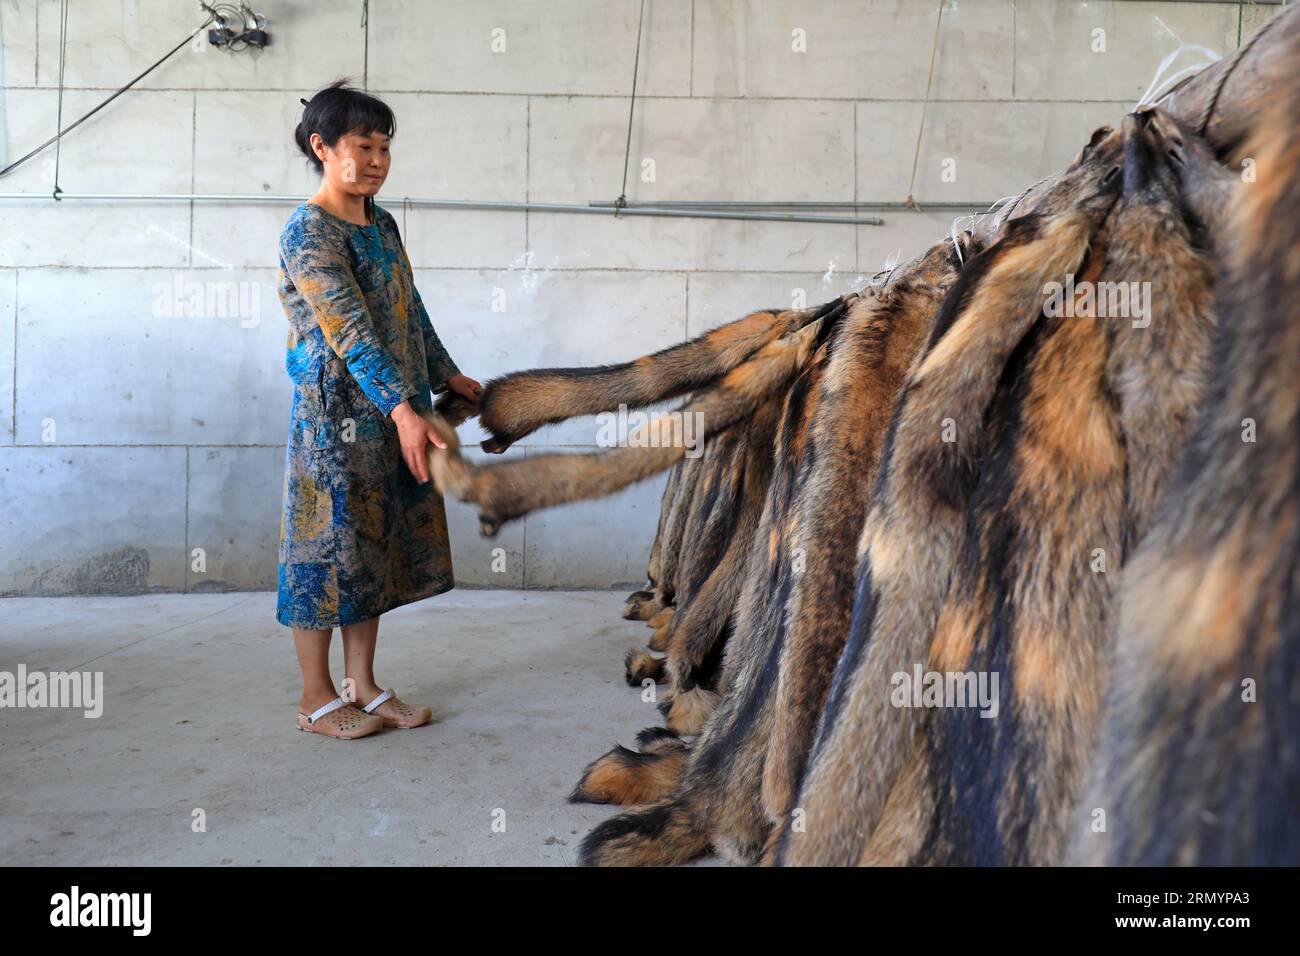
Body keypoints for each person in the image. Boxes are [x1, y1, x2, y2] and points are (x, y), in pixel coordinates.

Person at [276, 80, 481, 739]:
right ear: (322, 146)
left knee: (370, 551)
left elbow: (408, 311)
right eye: (362, 146)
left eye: (384, 147)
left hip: (396, 413)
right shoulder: (308, 232)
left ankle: (362, 686)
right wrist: (402, 410)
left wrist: (448, 375)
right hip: (336, 420)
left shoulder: (381, 222)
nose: (376, 160)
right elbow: (349, 330)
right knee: (322, 552)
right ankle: (315, 698)